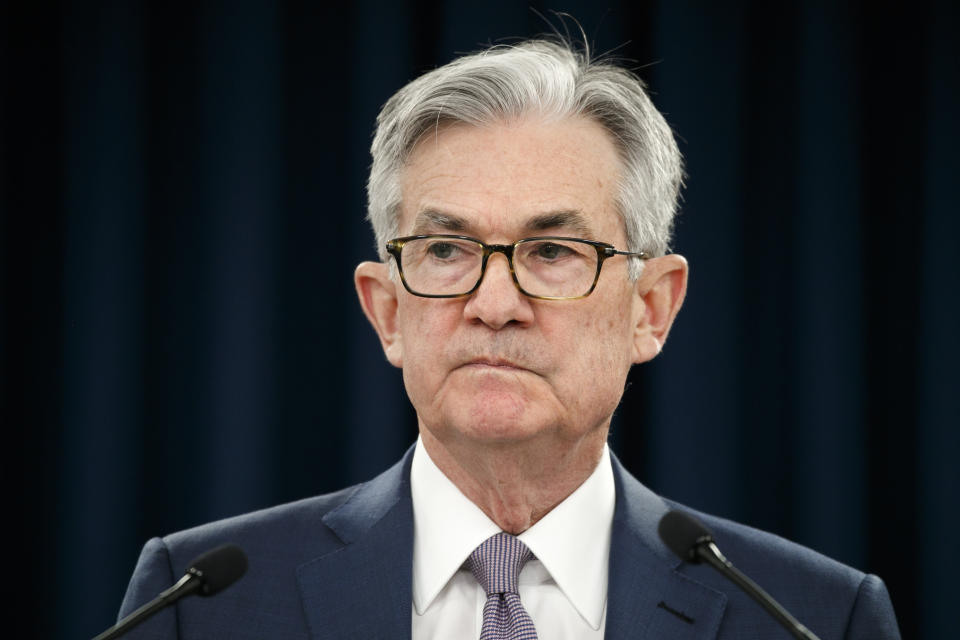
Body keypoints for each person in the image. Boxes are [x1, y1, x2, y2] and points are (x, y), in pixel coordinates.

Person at [117, 39, 900, 639]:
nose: (494, 305)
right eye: (447, 251)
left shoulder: (814, 616)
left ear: (650, 310)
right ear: (387, 310)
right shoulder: (203, 601)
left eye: (553, 252)